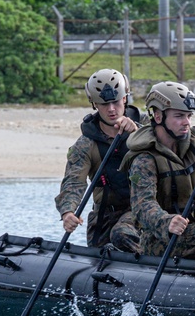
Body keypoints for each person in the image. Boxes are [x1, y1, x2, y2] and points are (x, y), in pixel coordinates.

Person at [120, 81, 195, 260]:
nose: (186, 123)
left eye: (189, 116)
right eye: (179, 116)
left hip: (189, 229)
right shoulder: (144, 158)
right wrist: (167, 221)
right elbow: (143, 206)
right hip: (159, 239)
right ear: (158, 116)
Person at [55, 68, 143, 253]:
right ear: (94, 104)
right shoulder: (86, 143)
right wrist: (68, 212)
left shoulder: (148, 128)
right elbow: (73, 182)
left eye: (115, 102)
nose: (111, 109)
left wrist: (138, 134)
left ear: (125, 98)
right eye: (104, 104)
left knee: (122, 234)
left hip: (145, 208)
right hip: (106, 216)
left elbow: (169, 149)